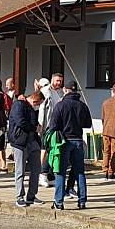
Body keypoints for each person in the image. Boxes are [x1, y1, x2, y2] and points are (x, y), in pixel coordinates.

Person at [47, 80, 92, 210]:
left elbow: (54, 126)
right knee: (80, 172)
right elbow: (88, 124)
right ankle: (82, 200)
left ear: (66, 90)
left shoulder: (61, 105)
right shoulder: (82, 106)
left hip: (64, 141)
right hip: (78, 140)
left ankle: (59, 202)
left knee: (60, 171)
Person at [9, 89, 45, 207]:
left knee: (36, 169)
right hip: (20, 141)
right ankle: (19, 196)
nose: (39, 107)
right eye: (39, 104)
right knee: (20, 170)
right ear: (35, 100)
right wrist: (34, 128)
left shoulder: (32, 108)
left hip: (32, 141)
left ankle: (31, 196)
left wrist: (36, 127)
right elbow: (20, 122)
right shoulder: (19, 105)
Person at [38, 73, 64, 188]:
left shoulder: (60, 92)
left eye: (60, 81)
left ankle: (50, 174)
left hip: (57, 126)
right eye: (57, 80)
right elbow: (41, 109)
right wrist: (41, 126)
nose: (59, 83)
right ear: (52, 80)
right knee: (45, 150)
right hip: (46, 125)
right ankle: (41, 174)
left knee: (54, 150)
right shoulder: (45, 91)